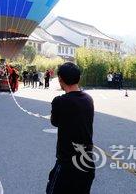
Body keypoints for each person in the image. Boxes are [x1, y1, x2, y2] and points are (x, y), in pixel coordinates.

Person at [46, 62, 95, 194]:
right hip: (87, 163)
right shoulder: (88, 99)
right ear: (79, 78)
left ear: (60, 79)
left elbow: (54, 122)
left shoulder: (59, 101)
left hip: (67, 164)